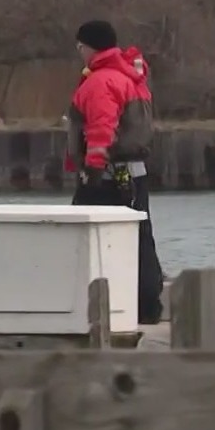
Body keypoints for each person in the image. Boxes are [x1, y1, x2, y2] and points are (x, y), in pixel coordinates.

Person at [65, 20, 165, 324]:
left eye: (80, 47)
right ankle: (147, 306)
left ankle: (78, 305)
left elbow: (101, 129)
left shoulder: (100, 82)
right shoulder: (133, 78)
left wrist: (93, 171)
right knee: (139, 238)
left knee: (80, 238)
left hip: (106, 175)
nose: (79, 53)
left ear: (88, 47)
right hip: (135, 175)